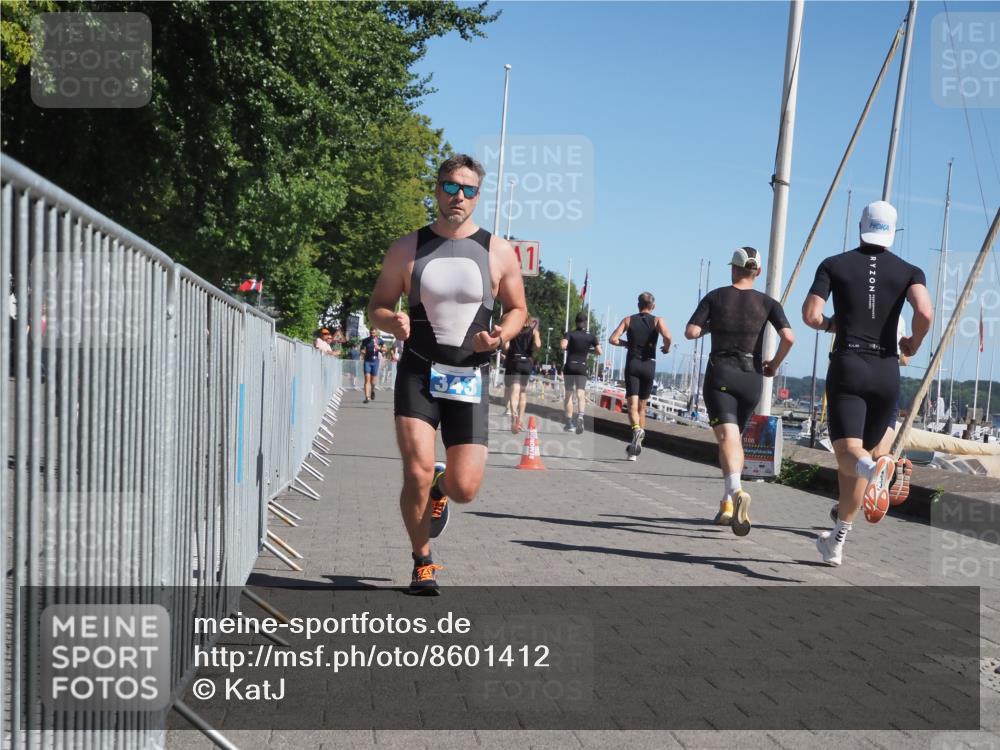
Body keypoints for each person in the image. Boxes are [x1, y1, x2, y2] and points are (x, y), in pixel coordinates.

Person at [367, 153, 527, 594]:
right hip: (418, 371)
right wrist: (389, 321)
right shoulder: (406, 248)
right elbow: (376, 307)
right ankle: (422, 561)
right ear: (436, 189)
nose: (459, 196)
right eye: (451, 187)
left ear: (478, 197)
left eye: (468, 190)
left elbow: (518, 309)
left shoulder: (498, 251)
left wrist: (500, 337)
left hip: (469, 377)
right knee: (414, 470)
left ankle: (442, 485)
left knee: (464, 488)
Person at [803, 200, 932, 566]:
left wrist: (832, 324)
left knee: (849, 455)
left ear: (861, 224)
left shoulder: (834, 264)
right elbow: (924, 312)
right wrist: (914, 343)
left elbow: (810, 315)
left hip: (849, 364)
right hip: (886, 370)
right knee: (858, 463)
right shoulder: (910, 271)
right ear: (893, 230)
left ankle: (875, 469)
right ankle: (836, 543)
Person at [685, 247, 795, 535]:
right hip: (753, 377)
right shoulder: (769, 302)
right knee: (733, 441)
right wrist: (774, 364)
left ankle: (736, 491)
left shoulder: (716, 297)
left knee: (728, 437)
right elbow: (789, 337)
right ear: (757, 272)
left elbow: (691, 332)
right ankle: (727, 504)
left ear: (732, 268)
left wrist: (711, 327)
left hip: (722, 372)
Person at [609, 293, 672, 461]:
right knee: (642, 408)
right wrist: (666, 348)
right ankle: (635, 449)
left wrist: (626, 344)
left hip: (633, 364)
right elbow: (668, 336)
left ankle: (636, 430)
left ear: (638, 305)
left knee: (632, 406)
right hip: (649, 364)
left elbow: (613, 339)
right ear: (653, 306)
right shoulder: (658, 320)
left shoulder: (628, 320)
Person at [561, 311, 602, 434]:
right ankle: (580, 416)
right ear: (585, 323)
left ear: (576, 321)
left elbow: (563, 346)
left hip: (570, 366)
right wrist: (589, 351)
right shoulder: (591, 336)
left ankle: (569, 423)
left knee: (568, 394)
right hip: (582, 367)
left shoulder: (570, 333)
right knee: (580, 393)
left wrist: (570, 346)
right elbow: (599, 351)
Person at [503, 317, 541, 433]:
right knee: (523, 392)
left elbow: (506, 347)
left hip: (515, 361)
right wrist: (532, 347)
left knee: (515, 390)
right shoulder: (534, 331)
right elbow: (538, 345)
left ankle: (513, 414)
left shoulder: (513, 330)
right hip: (527, 362)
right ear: (529, 321)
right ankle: (520, 419)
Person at [360, 327, 386, 403]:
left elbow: (385, 349)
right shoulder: (365, 340)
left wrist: (379, 348)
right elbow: (361, 349)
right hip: (367, 361)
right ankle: (367, 397)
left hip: (375, 361)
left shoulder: (380, 341)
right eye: (371, 333)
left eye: (373, 333)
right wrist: (363, 352)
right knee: (367, 379)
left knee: (373, 381)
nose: (372, 334)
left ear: (376, 333)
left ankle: (372, 390)